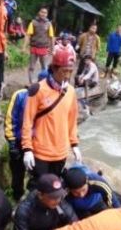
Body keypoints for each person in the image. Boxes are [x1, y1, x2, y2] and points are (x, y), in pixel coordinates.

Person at [21, 48, 80, 181]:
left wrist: (74, 144)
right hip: (41, 152)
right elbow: (27, 121)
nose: (67, 75)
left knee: (54, 189)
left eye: (70, 71)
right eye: (64, 71)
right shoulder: (38, 90)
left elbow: (72, 121)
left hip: (61, 152)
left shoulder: (70, 92)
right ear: (54, 68)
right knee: (40, 189)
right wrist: (27, 149)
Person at [4, 70, 48, 201]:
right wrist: (12, 143)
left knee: (38, 175)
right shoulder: (20, 95)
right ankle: (17, 196)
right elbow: (10, 120)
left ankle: (33, 199)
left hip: (38, 145)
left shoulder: (51, 99)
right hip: (19, 142)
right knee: (17, 174)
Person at [23, 5, 55, 84]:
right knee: (31, 67)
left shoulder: (49, 24)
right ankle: (31, 82)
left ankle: (43, 83)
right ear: (39, 13)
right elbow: (28, 35)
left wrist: (52, 49)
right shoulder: (33, 23)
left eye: (45, 13)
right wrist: (24, 47)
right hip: (34, 47)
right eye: (42, 12)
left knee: (44, 67)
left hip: (44, 48)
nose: (43, 14)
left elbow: (52, 37)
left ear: (47, 14)